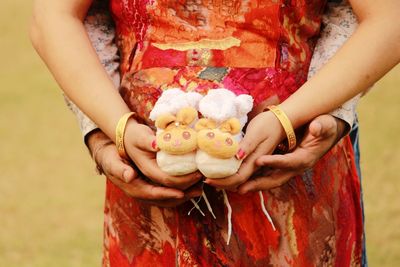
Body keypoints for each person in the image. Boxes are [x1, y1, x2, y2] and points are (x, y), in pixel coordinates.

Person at [30, 0, 399, 266]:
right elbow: (54, 16)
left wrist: (302, 117)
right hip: (150, 183)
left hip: (291, 171)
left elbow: (388, 17)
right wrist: (107, 131)